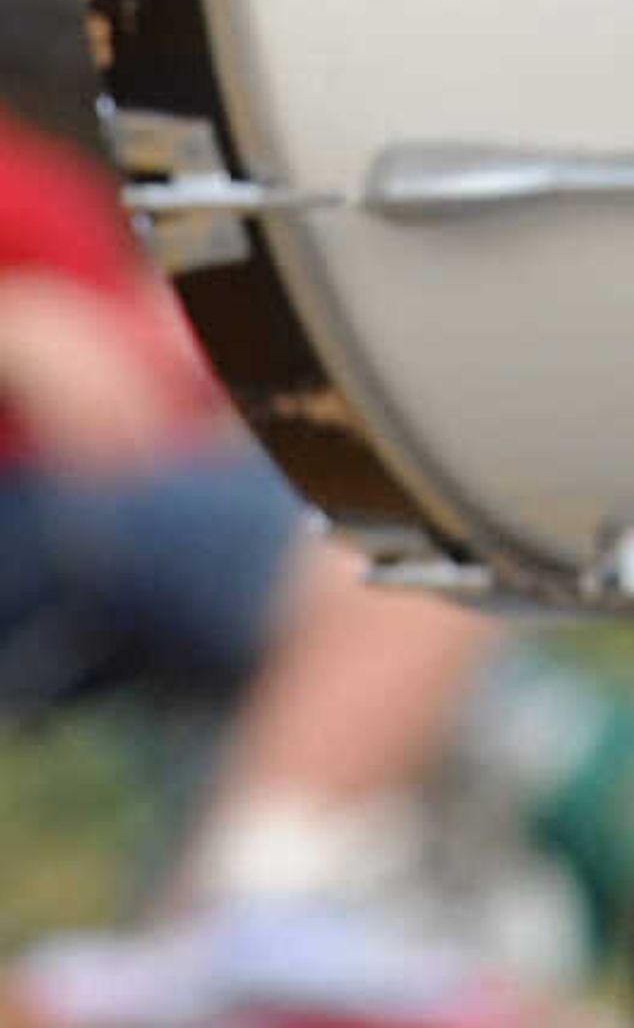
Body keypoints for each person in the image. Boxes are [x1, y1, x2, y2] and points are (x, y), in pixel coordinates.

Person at [0, 103, 540, 1028]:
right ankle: (248, 932)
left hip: (125, 477)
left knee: (428, 519)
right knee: (401, 546)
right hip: (44, 498)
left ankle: (249, 929)